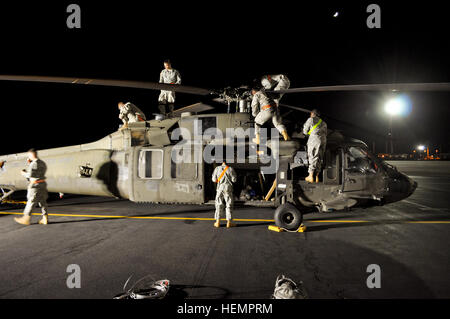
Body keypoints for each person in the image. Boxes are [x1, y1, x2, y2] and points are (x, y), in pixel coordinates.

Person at [14, 149, 49, 225]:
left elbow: (30, 175)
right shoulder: (42, 163)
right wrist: (30, 164)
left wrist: (23, 173)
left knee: (31, 202)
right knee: (43, 202)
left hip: (35, 185)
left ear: (31, 155)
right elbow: (39, 172)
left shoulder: (33, 164)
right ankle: (45, 218)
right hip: (42, 184)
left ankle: (25, 219)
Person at [302, 109, 327, 183]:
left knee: (313, 156)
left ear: (313, 113)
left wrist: (307, 134)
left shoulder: (311, 119)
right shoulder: (324, 122)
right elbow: (325, 133)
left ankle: (310, 176)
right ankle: (316, 176)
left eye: (310, 114)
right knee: (319, 157)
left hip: (314, 140)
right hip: (323, 140)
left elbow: (305, 131)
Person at [212, 161, 237, 228]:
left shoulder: (217, 169)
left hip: (220, 188)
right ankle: (229, 222)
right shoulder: (230, 169)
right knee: (229, 204)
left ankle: (217, 222)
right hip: (228, 188)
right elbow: (234, 180)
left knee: (218, 204)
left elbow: (214, 180)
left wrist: (220, 179)